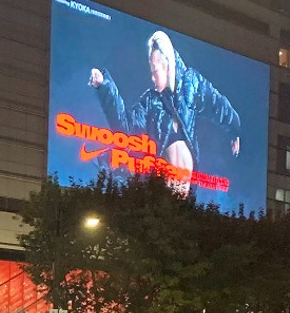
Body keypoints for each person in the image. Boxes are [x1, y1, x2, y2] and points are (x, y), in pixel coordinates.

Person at [89, 30, 240, 198]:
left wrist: (234, 129)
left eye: (155, 72)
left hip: (186, 195)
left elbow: (216, 103)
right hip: (163, 195)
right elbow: (125, 127)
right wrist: (104, 86)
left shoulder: (191, 83)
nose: (152, 78)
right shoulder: (150, 101)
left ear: (167, 66)